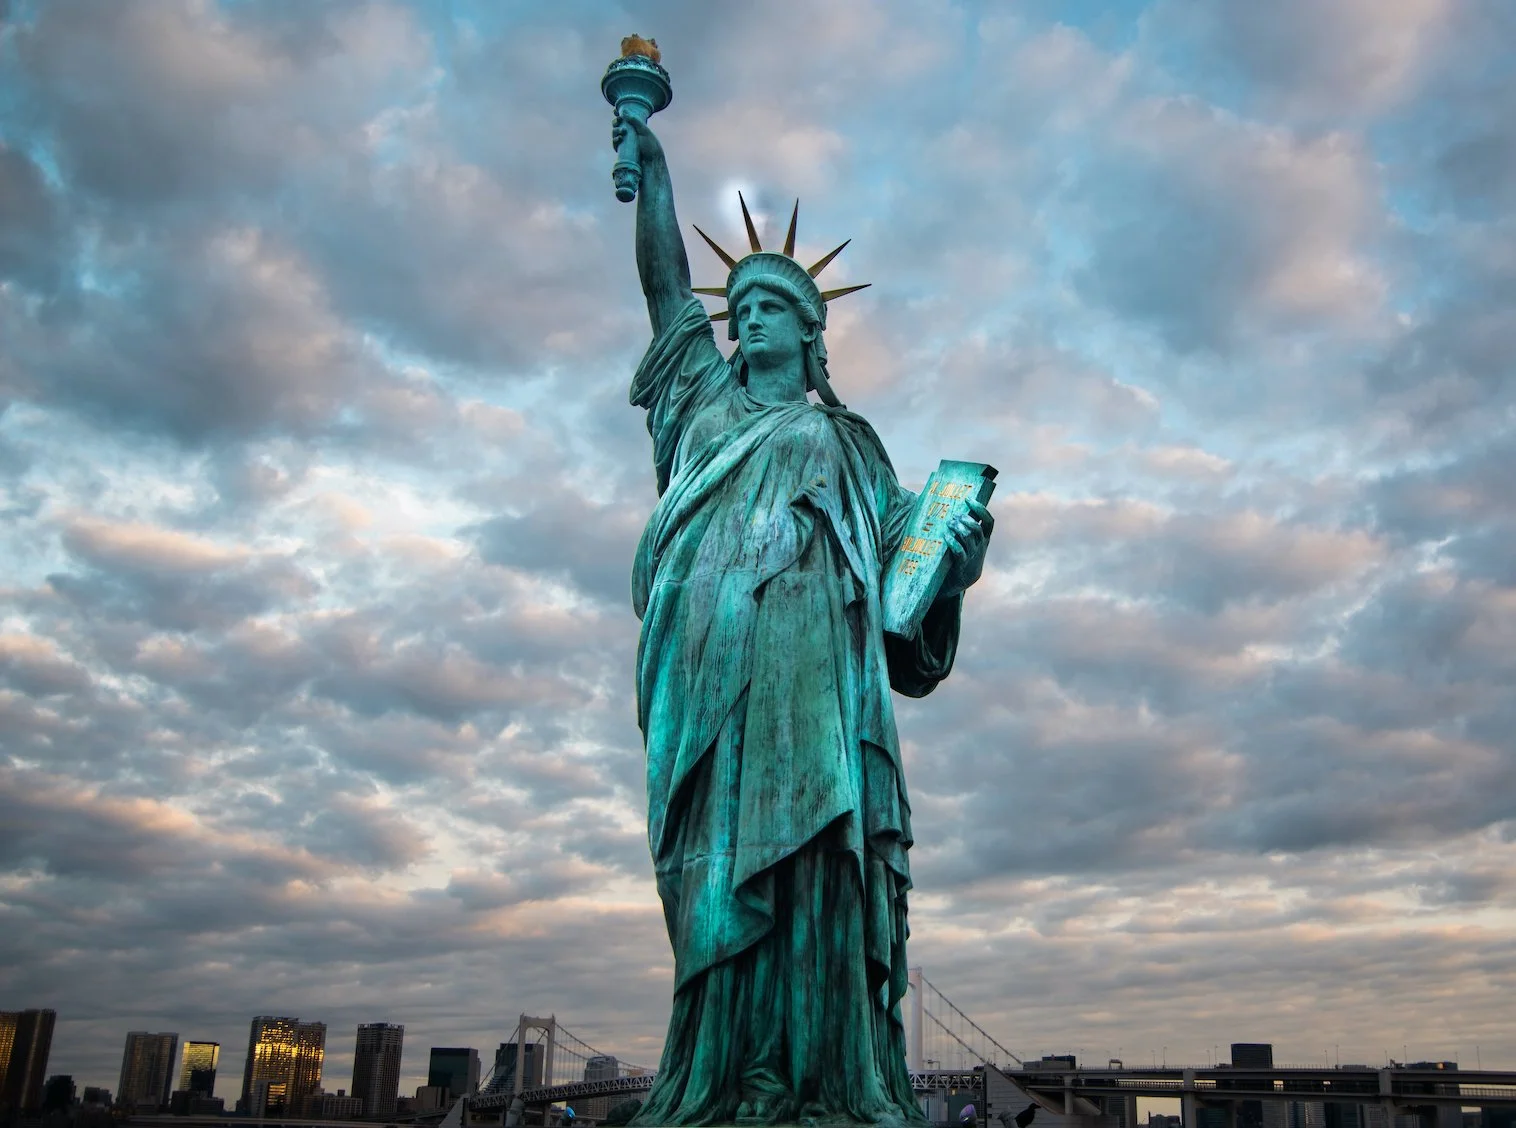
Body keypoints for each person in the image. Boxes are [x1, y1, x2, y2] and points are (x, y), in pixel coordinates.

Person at [614, 111, 993, 1127]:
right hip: (709, 667)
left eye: (772, 306)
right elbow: (662, 291)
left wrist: (954, 554)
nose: (750, 319)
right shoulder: (699, 407)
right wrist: (653, 169)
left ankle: (818, 1073)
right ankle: (724, 1070)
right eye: (740, 305)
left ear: (811, 329)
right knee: (712, 873)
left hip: (817, 676)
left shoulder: (851, 445)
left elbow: (910, 578)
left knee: (822, 861)